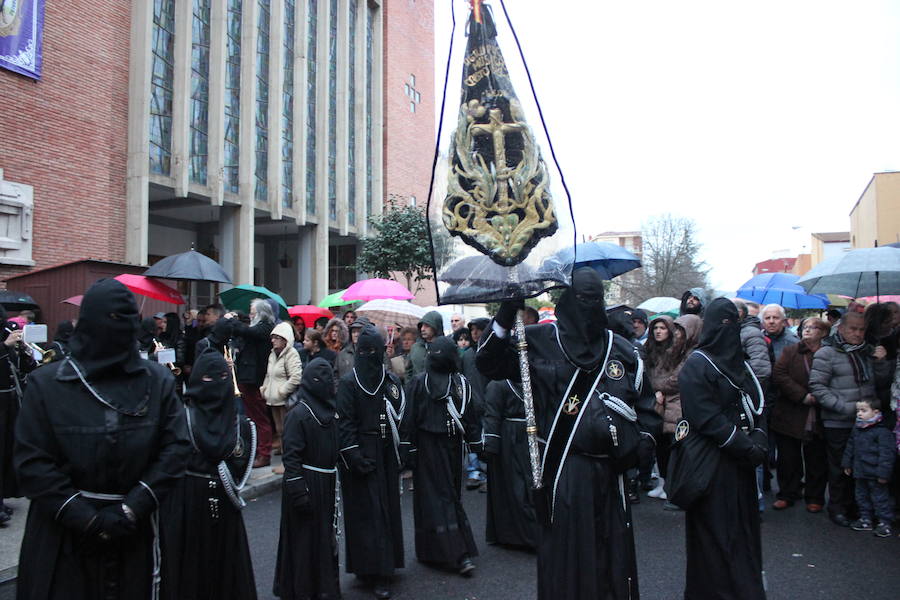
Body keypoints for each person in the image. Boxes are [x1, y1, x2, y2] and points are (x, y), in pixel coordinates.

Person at [477, 267, 657, 600]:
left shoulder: (621, 350)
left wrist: (641, 445)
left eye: (595, 298)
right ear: (568, 300)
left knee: (611, 558)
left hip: (611, 475)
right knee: (567, 559)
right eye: (582, 298)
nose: (588, 305)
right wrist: (506, 312)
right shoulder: (539, 341)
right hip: (563, 473)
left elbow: (645, 407)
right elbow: (487, 362)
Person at [13, 278, 189, 600]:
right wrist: (84, 517)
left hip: (134, 532)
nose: (116, 329)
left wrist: (132, 508)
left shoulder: (157, 381)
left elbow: (176, 448)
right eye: (109, 320)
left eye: (125, 321)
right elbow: (32, 461)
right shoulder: (47, 384)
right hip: (62, 535)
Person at [677, 298, 767, 600]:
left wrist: (760, 439)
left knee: (742, 531)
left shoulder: (740, 364)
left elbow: (757, 404)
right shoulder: (697, 364)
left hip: (740, 466)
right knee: (714, 534)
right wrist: (744, 446)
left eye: (734, 322)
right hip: (712, 466)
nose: (729, 329)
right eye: (724, 322)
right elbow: (706, 417)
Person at [161, 349, 257, 600]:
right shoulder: (180, 418)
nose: (214, 386)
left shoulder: (240, 425)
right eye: (207, 379)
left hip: (223, 510)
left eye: (220, 378)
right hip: (186, 510)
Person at [337, 325, 407, 599]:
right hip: (359, 453)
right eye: (362, 350)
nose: (367, 355)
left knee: (384, 510)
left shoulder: (390, 381)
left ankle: (384, 570)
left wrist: (402, 452)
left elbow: (401, 415)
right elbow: (345, 423)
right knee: (364, 514)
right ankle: (366, 568)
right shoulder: (348, 383)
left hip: (386, 452)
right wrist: (354, 455)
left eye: (372, 350)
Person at [405, 336, 481, 575]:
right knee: (441, 498)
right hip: (430, 447)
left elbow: (470, 415)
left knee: (445, 496)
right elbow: (410, 418)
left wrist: (477, 443)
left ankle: (437, 551)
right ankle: (457, 554)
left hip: (449, 447)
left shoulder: (458, 383)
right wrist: (410, 449)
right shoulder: (423, 383)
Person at [809, 311, 891, 527]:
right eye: (853, 329)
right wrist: (844, 408)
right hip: (838, 421)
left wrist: (881, 362)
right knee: (839, 467)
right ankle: (838, 508)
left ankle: (857, 506)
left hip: (868, 420)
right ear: (841, 328)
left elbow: (881, 383)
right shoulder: (826, 353)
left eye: (862, 329)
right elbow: (818, 387)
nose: (857, 333)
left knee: (862, 466)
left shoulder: (868, 352)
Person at [274, 357, 341, 600]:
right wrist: (298, 490)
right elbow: (290, 457)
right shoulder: (299, 415)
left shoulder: (331, 412)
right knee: (303, 543)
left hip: (326, 483)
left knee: (324, 538)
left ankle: (325, 590)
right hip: (306, 485)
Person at [771, 317, 830, 512]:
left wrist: (821, 395)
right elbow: (779, 374)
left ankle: (815, 497)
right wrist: (802, 396)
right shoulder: (791, 351)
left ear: (823, 332)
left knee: (816, 458)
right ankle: (788, 493)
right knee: (788, 457)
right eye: (805, 327)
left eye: (814, 327)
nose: (808, 330)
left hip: (820, 413)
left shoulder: (829, 353)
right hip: (791, 410)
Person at [645, 314, 702, 504]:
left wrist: (657, 389)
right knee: (661, 447)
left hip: (675, 404)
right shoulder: (662, 350)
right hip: (661, 404)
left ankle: (672, 486)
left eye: (664, 328)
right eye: (655, 328)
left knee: (674, 447)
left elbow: (677, 378)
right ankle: (663, 483)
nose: (659, 332)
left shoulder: (689, 353)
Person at [482, 379, 537, 550]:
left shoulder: (530, 379)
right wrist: (491, 445)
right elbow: (492, 414)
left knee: (524, 486)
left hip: (524, 437)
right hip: (510, 439)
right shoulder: (499, 384)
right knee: (516, 486)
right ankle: (523, 534)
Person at [226, 298, 275, 468]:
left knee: (260, 418)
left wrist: (232, 320)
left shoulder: (265, 328)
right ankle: (255, 449)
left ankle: (264, 453)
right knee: (252, 417)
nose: (250, 314)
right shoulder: (257, 327)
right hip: (248, 378)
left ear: (261, 313)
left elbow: (247, 332)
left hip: (255, 379)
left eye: (253, 312)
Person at [0, 307, 36, 524]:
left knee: (6, 451)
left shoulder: (8, 340)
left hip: (10, 401)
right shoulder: (4, 343)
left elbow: (26, 368)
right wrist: (4, 346)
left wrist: (23, 350)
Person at [842, 397, 896, 537]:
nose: (859, 414)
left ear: (875, 412)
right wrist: (847, 463)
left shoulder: (882, 432)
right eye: (858, 411)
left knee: (880, 498)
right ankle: (865, 518)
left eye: (863, 410)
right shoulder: (857, 428)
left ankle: (884, 522)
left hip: (875, 472)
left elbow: (887, 455)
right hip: (860, 471)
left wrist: (884, 474)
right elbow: (850, 447)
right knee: (861, 496)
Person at [261, 321, 302, 462]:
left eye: (276, 337)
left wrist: (282, 391)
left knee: (286, 430)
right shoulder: (273, 354)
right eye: (272, 337)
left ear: (285, 339)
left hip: (283, 399)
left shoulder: (292, 354)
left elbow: (296, 377)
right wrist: (264, 388)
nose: (272, 340)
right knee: (279, 429)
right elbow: (269, 374)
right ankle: (284, 452)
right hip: (273, 398)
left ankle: (288, 460)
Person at [409, 311, 444, 377]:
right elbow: (409, 370)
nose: (422, 329)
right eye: (421, 326)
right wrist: (410, 385)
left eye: (427, 326)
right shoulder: (415, 347)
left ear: (435, 327)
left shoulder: (445, 347)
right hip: (418, 385)